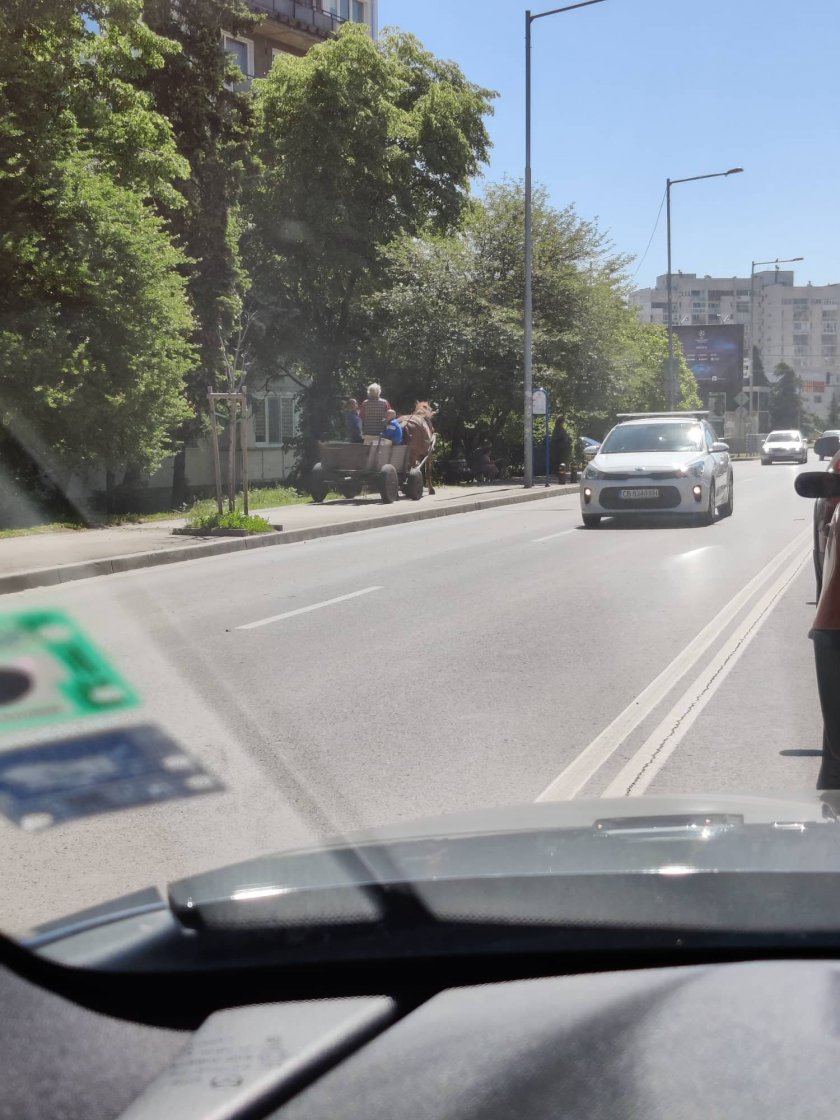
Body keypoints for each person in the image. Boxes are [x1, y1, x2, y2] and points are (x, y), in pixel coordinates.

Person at [551, 415, 571, 482]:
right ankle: (558, 473)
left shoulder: (561, 428)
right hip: (559, 448)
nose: (563, 423)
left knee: (561, 461)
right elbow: (555, 438)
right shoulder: (557, 429)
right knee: (559, 461)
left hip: (562, 448)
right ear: (560, 422)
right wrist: (562, 438)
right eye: (563, 422)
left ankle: (560, 473)